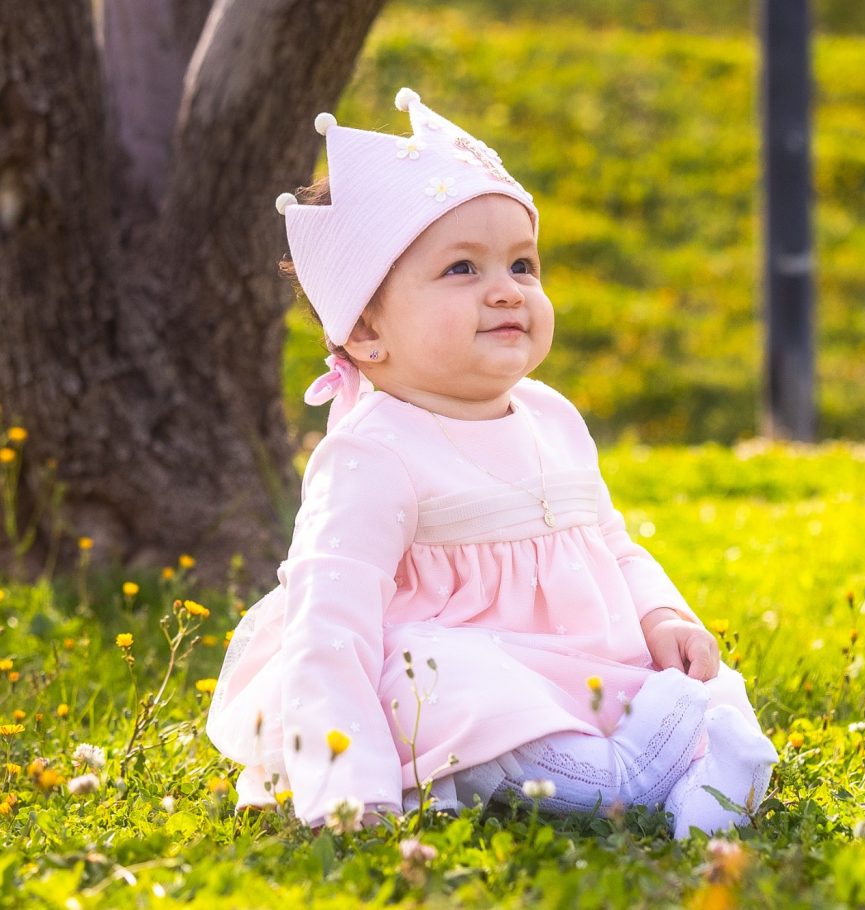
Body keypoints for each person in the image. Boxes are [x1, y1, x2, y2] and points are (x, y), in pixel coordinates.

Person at [205, 88, 777, 839]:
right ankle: (631, 784)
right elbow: (330, 625)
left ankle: (701, 776)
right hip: (464, 687)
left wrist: (662, 611)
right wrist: (347, 788)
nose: (507, 289)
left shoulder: (551, 415)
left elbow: (609, 538)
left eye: (523, 265)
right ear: (368, 331)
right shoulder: (372, 453)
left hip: (587, 670)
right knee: (430, 677)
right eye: (463, 270)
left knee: (702, 692)